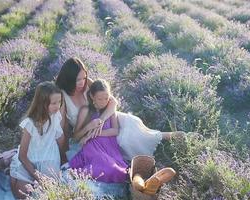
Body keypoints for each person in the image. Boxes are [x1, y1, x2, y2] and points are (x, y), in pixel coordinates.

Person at [55, 57, 183, 161]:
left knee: (131, 122)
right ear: (69, 78)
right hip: (89, 132)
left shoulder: (88, 82)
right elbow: (63, 129)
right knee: (123, 139)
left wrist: (102, 119)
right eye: (78, 80)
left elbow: (112, 101)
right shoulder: (62, 96)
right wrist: (62, 155)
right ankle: (151, 147)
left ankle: (166, 136)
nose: (82, 82)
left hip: (105, 117)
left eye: (84, 77)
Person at [9, 81, 66, 199]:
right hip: (29, 160)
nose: (58, 106)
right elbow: (22, 156)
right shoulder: (30, 124)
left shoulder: (55, 115)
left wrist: (64, 159)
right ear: (42, 104)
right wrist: (38, 176)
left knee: (49, 194)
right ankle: (10, 166)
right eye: (54, 103)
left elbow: (60, 138)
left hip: (49, 159)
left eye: (59, 102)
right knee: (22, 194)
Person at [68, 79, 128, 183]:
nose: (104, 102)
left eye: (106, 98)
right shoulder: (86, 110)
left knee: (119, 170)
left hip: (109, 146)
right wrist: (89, 127)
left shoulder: (109, 109)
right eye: (100, 99)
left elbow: (115, 130)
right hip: (92, 147)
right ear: (92, 96)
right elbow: (75, 137)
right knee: (103, 167)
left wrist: (94, 134)